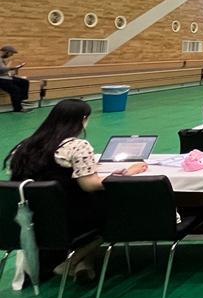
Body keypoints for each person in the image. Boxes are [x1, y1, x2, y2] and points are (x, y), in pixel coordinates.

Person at [4, 99, 146, 281]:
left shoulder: (22, 147)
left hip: (27, 219)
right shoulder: (77, 146)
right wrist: (127, 173)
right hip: (67, 220)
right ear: (83, 119)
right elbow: (89, 184)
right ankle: (71, 263)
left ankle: (84, 264)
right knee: (119, 212)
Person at [0, 44, 31, 112]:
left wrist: (13, 70)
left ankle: (21, 100)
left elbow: (4, 70)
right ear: (7, 52)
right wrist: (13, 68)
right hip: (1, 79)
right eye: (11, 53)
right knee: (15, 90)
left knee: (24, 82)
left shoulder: (2, 59)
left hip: (5, 77)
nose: (11, 55)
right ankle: (18, 108)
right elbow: (1, 70)